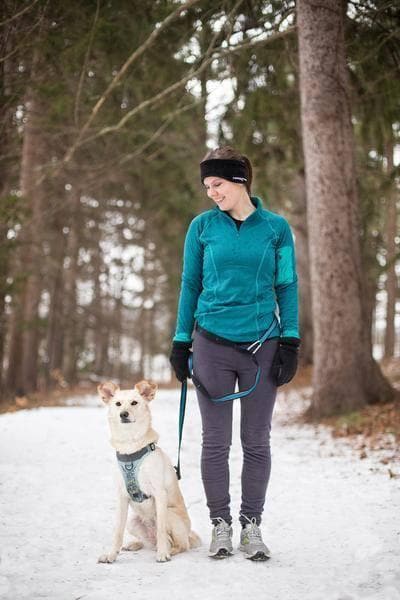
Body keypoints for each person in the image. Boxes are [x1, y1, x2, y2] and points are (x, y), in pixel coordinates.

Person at [169, 146, 300, 561]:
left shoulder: (276, 228)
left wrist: (291, 340)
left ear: (240, 180)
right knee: (215, 441)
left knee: (256, 440)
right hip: (212, 344)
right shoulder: (202, 227)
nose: (211, 192)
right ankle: (220, 524)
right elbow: (190, 284)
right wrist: (181, 340)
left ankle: (251, 525)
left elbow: (287, 285)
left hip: (263, 346)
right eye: (207, 186)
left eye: (218, 184)